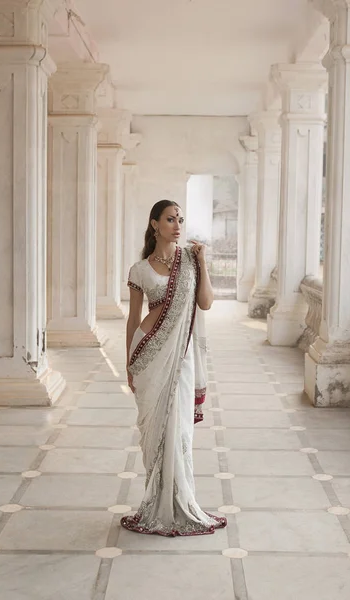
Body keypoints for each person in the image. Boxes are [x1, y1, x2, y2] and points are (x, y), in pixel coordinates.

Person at [121, 199, 227, 537]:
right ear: (155, 224)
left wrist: (204, 262)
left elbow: (206, 303)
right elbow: (133, 318)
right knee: (153, 434)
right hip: (148, 354)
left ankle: (181, 502)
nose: (177, 224)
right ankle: (157, 502)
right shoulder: (140, 269)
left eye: (180, 219)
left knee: (179, 430)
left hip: (180, 358)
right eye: (170, 219)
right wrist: (129, 362)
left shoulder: (190, 264)